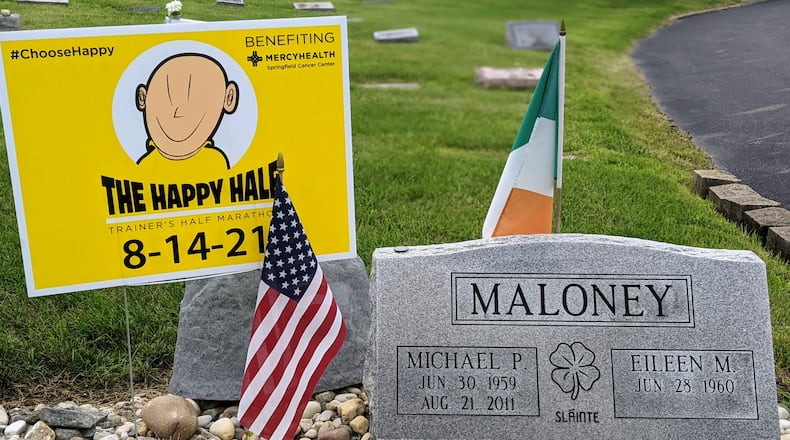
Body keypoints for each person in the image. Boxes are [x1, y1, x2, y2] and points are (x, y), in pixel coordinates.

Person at [135, 53, 238, 170]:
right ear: (142, 98)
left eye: (198, 98)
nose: (178, 112)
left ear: (229, 98)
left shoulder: (215, 161)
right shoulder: (145, 165)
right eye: (163, 96)